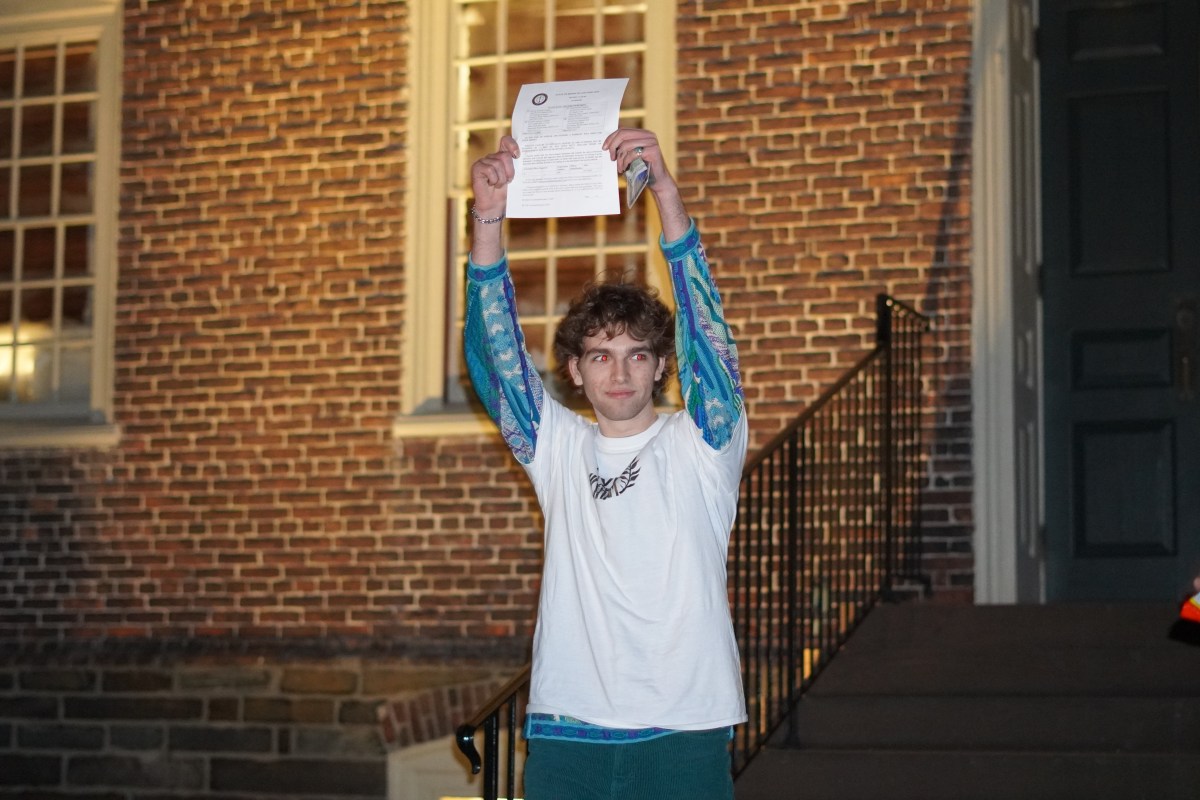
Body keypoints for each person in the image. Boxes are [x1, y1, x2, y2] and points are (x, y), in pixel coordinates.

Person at [463, 128, 748, 800]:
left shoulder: (704, 443)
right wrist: (488, 217)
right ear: (575, 371)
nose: (619, 372)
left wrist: (669, 201)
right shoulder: (558, 446)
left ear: (659, 369)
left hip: (686, 727)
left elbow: (712, 341)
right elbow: (494, 352)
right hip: (569, 730)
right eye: (600, 355)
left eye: (637, 354)